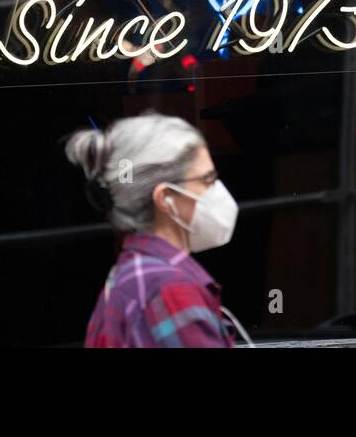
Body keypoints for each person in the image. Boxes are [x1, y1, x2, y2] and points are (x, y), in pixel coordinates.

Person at [65, 111, 249, 347]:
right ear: (165, 198)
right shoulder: (171, 290)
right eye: (206, 180)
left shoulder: (132, 275)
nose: (217, 191)